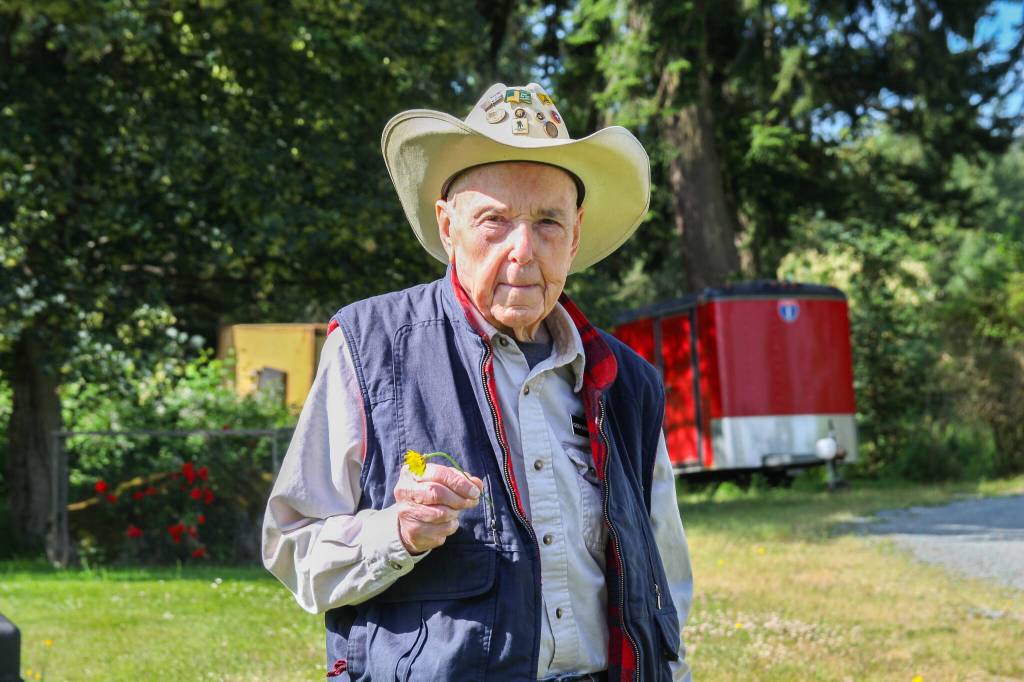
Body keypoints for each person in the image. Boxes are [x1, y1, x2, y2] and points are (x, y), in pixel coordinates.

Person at [262, 82, 693, 682]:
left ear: (575, 233)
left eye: (548, 222)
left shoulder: (627, 383)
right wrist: (397, 532)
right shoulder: (371, 347)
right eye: (495, 220)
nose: (523, 250)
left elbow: (664, 577)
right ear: (448, 226)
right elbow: (292, 547)